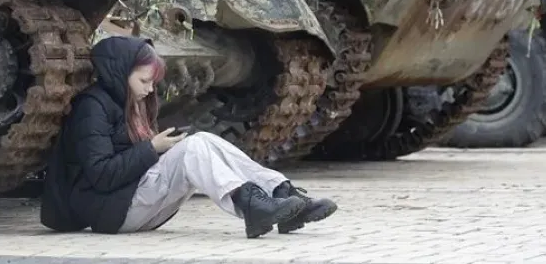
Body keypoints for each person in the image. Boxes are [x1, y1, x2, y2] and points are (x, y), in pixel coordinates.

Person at [40, 35, 337, 238]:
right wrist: (151, 148)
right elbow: (101, 174)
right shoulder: (92, 108)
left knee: (203, 140)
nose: (150, 90)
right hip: (114, 213)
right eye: (144, 81)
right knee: (194, 147)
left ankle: (280, 195)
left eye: (153, 83)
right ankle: (253, 207)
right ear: (120, 73)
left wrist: (157, 148)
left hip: (132, 203)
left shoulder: (129, 103)